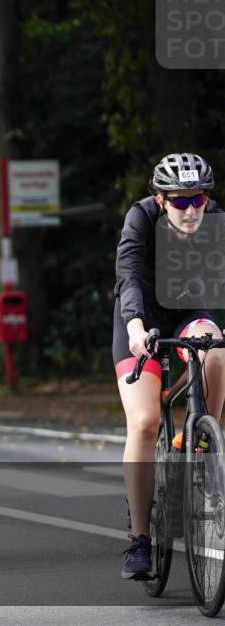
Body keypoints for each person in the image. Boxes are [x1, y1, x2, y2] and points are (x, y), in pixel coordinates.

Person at [114, 152, 224, 579]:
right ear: (160, 200)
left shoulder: (213, 220)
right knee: (143, 421)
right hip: (139, 316)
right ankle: (140, 540)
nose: (191, 209)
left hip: (185, 310)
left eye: (197, 200)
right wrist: (136, 327)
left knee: (216, 351)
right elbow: (127, 275)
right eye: (179, 202)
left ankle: (201, 448)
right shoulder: (140, 218)